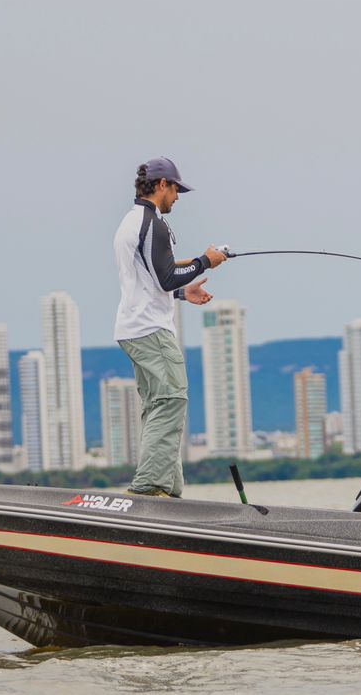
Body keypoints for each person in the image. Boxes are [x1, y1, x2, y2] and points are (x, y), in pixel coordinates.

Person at [113, 157, 227, 498]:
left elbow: (151, 277)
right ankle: (148, 488)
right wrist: (207, 261)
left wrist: (182, 292)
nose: (178, 196)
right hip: (151, 329)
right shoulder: (153, 224)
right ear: (162, 185)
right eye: (176, 189)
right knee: (172, 400)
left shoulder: (130, 222)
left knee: (158, 405)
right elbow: (163, 276)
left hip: (133, 328)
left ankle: (170, 491)